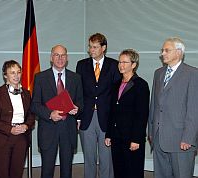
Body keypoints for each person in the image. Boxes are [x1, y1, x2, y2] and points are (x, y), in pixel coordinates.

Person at [31, 44, 84, 178]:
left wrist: (77, 109)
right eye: (56, 55)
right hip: (48, 130)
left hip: (68, 129)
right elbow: (35, 105)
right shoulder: (40, 78)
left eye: (63, 55)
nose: (60, 58)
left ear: (67, 58)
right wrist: (50, 114)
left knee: (67, 171)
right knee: (47, 171)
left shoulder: (76, 78)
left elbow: (81, 102)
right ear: (51, 57)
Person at [148, 37, 198, 178]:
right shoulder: (158, 73)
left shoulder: (193, 74)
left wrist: (189, 137)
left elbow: (194, 109)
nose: (162, 53)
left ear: (178, 52)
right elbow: (154, 105)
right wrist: (151, 131)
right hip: (158, 139)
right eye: (162, 50)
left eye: (167, 50)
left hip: (181, 140)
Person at [76, 33, 121, 178]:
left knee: (106, 159)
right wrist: (78, 118)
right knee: (88, 158)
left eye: (95, 47)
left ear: (104, 48)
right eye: (90, 46)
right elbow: (78, 93)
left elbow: (117, 96)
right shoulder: (81, 65)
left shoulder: (114, 65)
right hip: (86, 117)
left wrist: (115, 120)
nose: (91, 50)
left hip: (106, 118)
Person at [105, 49, 150, 178]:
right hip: (116, 136)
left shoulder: (141, 85)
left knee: (133, 171)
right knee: (119, 171)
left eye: (125, 62)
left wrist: (136, 138)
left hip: (132, 138)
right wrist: (109, 134)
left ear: (134, 65)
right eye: (120, 62)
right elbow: (111, 111)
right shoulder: (115, 84)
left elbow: (142, 114)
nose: (121, 65)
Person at [0, 60, 35, 178]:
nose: (16, 76)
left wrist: (26, 125)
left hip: (21, 138)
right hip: (3, 137)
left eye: (18, 72)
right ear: (5, 75)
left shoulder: (26, 93)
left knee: (17, 172)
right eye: (12, 72)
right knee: (2, 172)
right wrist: (10, 129)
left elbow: (31, 115)